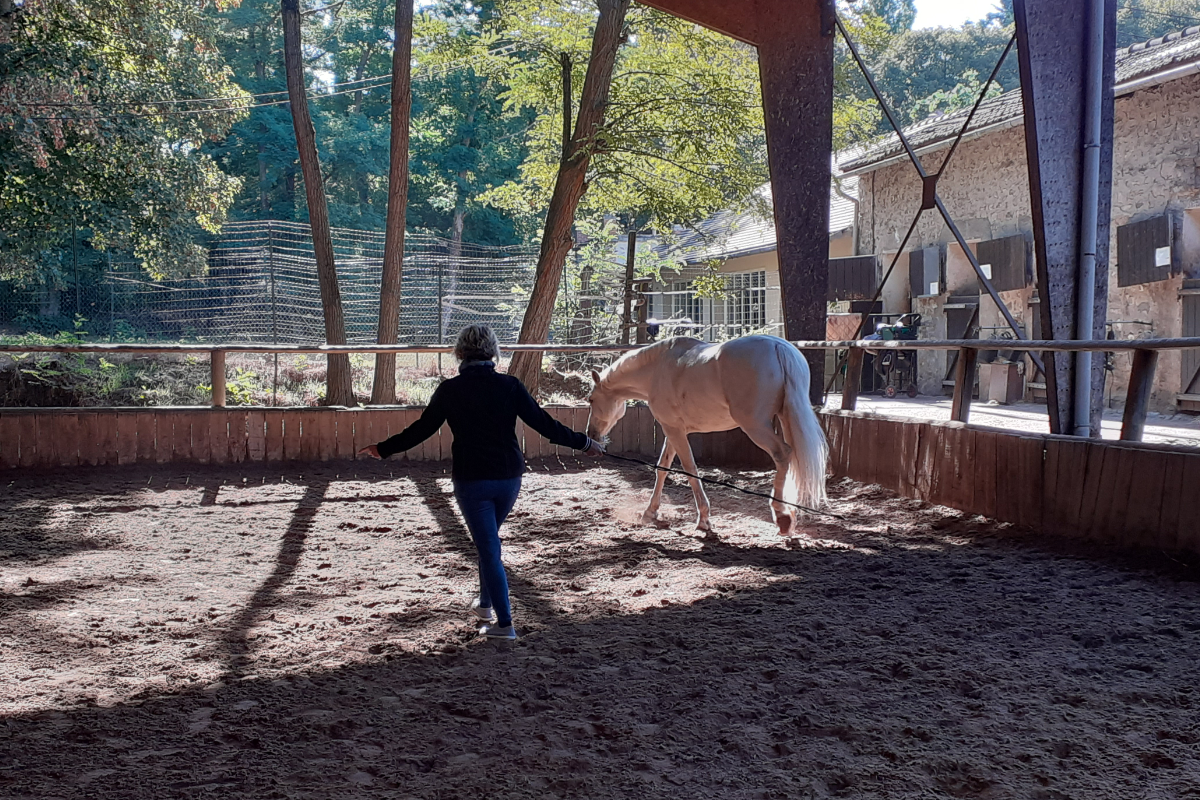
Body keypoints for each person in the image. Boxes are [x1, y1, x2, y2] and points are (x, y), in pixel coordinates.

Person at [358, 324, 605, 640]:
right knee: (489, 544)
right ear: (493, 352)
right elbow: (546, 426)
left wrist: (383, 448)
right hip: (508, 478)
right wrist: (584, 443)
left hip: (472, 480)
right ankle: (484, 605)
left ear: (459, 353)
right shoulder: (511, 386)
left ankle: (504, 625)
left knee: (489, 548)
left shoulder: (450, 390)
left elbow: (421, 431)